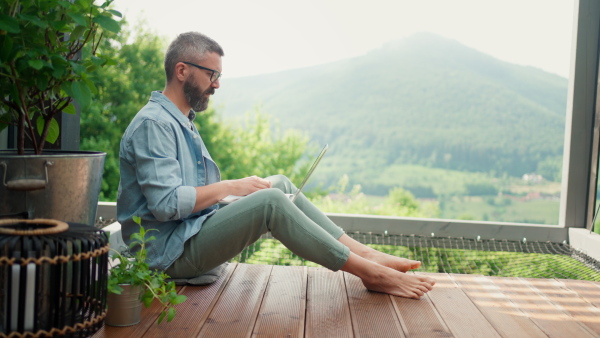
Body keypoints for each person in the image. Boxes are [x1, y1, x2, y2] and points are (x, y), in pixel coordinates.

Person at [117, 32, 435, 299]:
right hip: (167, 257)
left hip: (187, 235)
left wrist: (235, 193)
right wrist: (232, 187)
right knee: (269, 202)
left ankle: (367, 255)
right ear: (182, 70)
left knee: (277, 184)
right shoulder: (155, 125)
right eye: (211, 74)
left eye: (218, 76)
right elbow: (165, 204)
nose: (216, 84)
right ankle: (368, 273)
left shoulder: (181, 121)